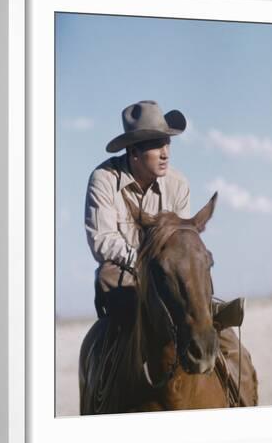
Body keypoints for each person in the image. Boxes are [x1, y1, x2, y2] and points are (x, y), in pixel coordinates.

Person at [84, 100, 244, 328]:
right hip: (127, 269)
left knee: (194, 270)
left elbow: (181, 241)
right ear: (134, 152)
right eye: (157, 146)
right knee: (107, 278)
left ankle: (211, 318)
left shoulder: (178, 184)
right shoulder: (104, 179)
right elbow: (102, 240)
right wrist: (146, 262)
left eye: (167, 144)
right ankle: (115, 356)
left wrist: (164, 266)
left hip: (167, 269)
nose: (165, 154)